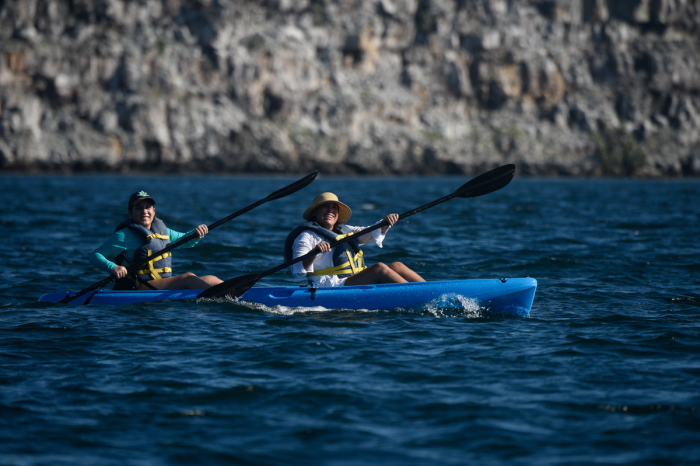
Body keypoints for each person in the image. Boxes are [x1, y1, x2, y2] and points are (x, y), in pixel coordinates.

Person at [284, 192, 425, 287]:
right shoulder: (306, 236)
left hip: (352, 280)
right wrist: (314, 252)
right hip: (329, 286)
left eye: (334, 208)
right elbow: (298, 269)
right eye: (325, 206)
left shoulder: (345, 230)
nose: (330, 211)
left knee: (397, 265)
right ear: (315, 212)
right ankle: (416, 295)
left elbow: (369, 233)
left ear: (338, 214)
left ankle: (433, 291)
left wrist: (385, 223)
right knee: (379, 269)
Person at [89, 190, 223, 290]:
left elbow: (186, 240)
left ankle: (238, 293)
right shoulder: (123, 236)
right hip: (140, 286)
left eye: (148, 207)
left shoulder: (163, 232)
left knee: (212, 279)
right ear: (130, 212)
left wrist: (197, 233)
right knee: (188, 277)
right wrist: (114, 267)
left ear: (154, 210)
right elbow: (95, 256)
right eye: (139, 208)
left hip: (162, 283)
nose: (144, 211)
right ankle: (220, 296)